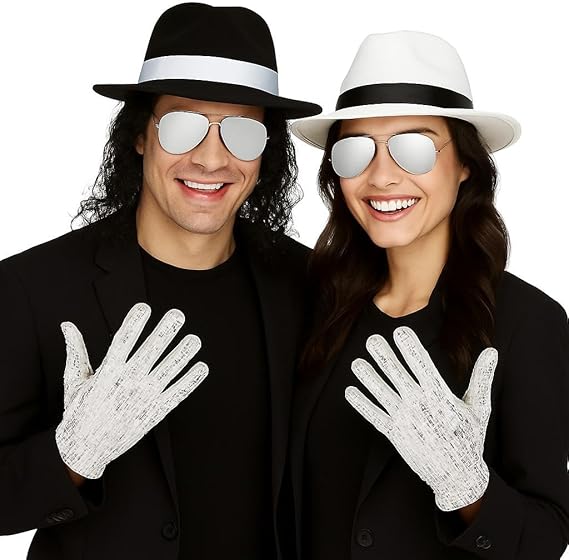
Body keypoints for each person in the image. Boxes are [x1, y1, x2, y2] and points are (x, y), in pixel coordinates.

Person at [0, 3, 320, 560]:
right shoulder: (32, 289)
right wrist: (72, 457)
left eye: (243, 133)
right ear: (140, 136)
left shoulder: (311, 285)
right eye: (182, 126)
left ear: (266, 151)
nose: (212, 158)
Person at [290, 31, 569, 559]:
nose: (380, 176)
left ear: (465, 164)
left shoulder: (527, 322)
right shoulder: (320, 308)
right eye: (355, 150)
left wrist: (467, 487)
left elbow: (546, 537)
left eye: (414, 148)